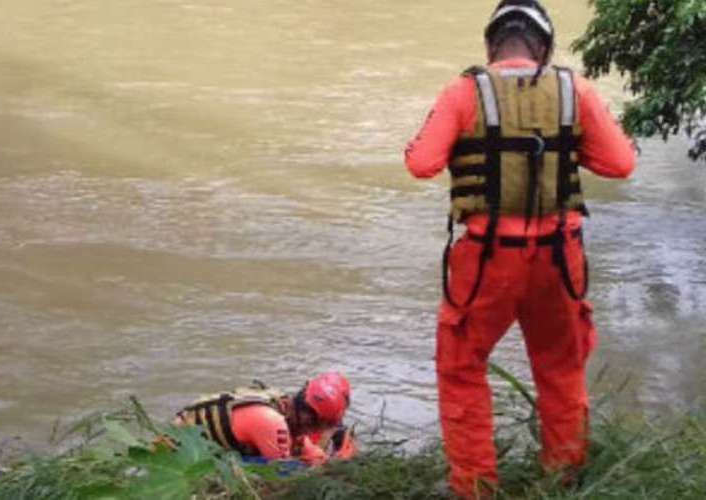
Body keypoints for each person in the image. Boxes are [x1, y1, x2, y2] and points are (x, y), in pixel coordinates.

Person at [404, 1, 635, 497]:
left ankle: (475, 488)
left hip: (486, 262)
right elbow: (621, 163)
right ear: (545, 47)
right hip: (560, 258)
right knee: (561, 372)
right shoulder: (577, 91)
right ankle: (563, 480)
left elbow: (420, 162)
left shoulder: (464, 91)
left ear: (491, 45)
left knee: (462, 371)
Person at [169, 372, 356, 465]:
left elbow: (300, 443)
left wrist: (318, 457)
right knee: (290, 470)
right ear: (310, 419)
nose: (319, 430)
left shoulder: (282, 402)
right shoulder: (272, 422)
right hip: (179, 454)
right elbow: (282, 474)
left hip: (183, 436)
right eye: (321, 425)